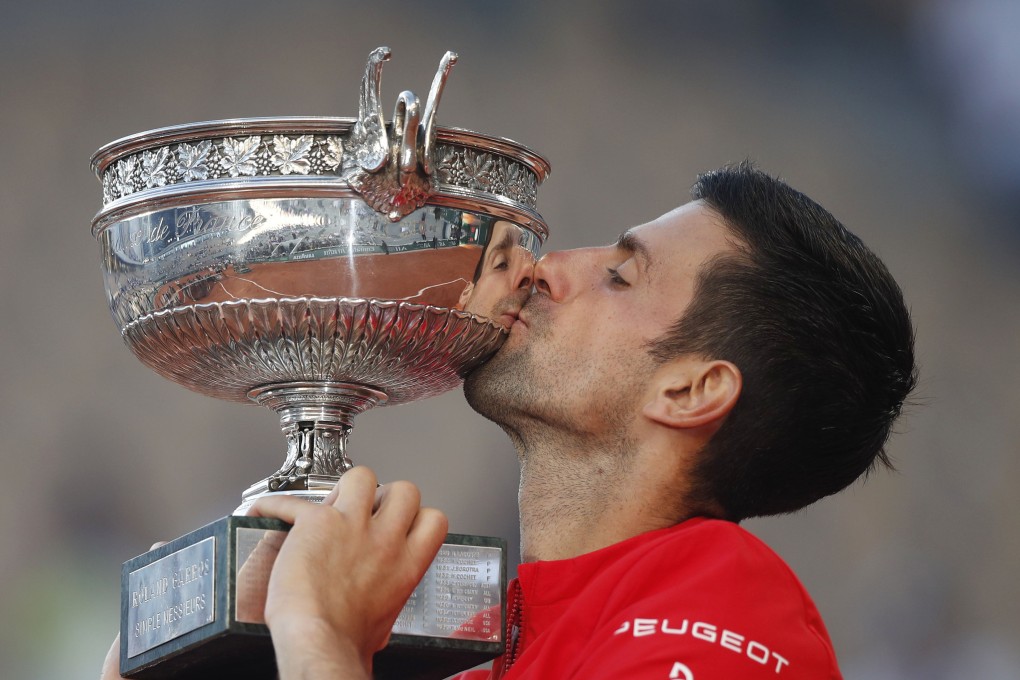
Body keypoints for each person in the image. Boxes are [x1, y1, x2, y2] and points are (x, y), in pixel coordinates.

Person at [101, 162, 916, 679]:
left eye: (621, 276)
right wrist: (175, 659)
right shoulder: (491, 635)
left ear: (690, 390)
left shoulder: (724, 622)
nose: (546, 266)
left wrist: (320, 638)